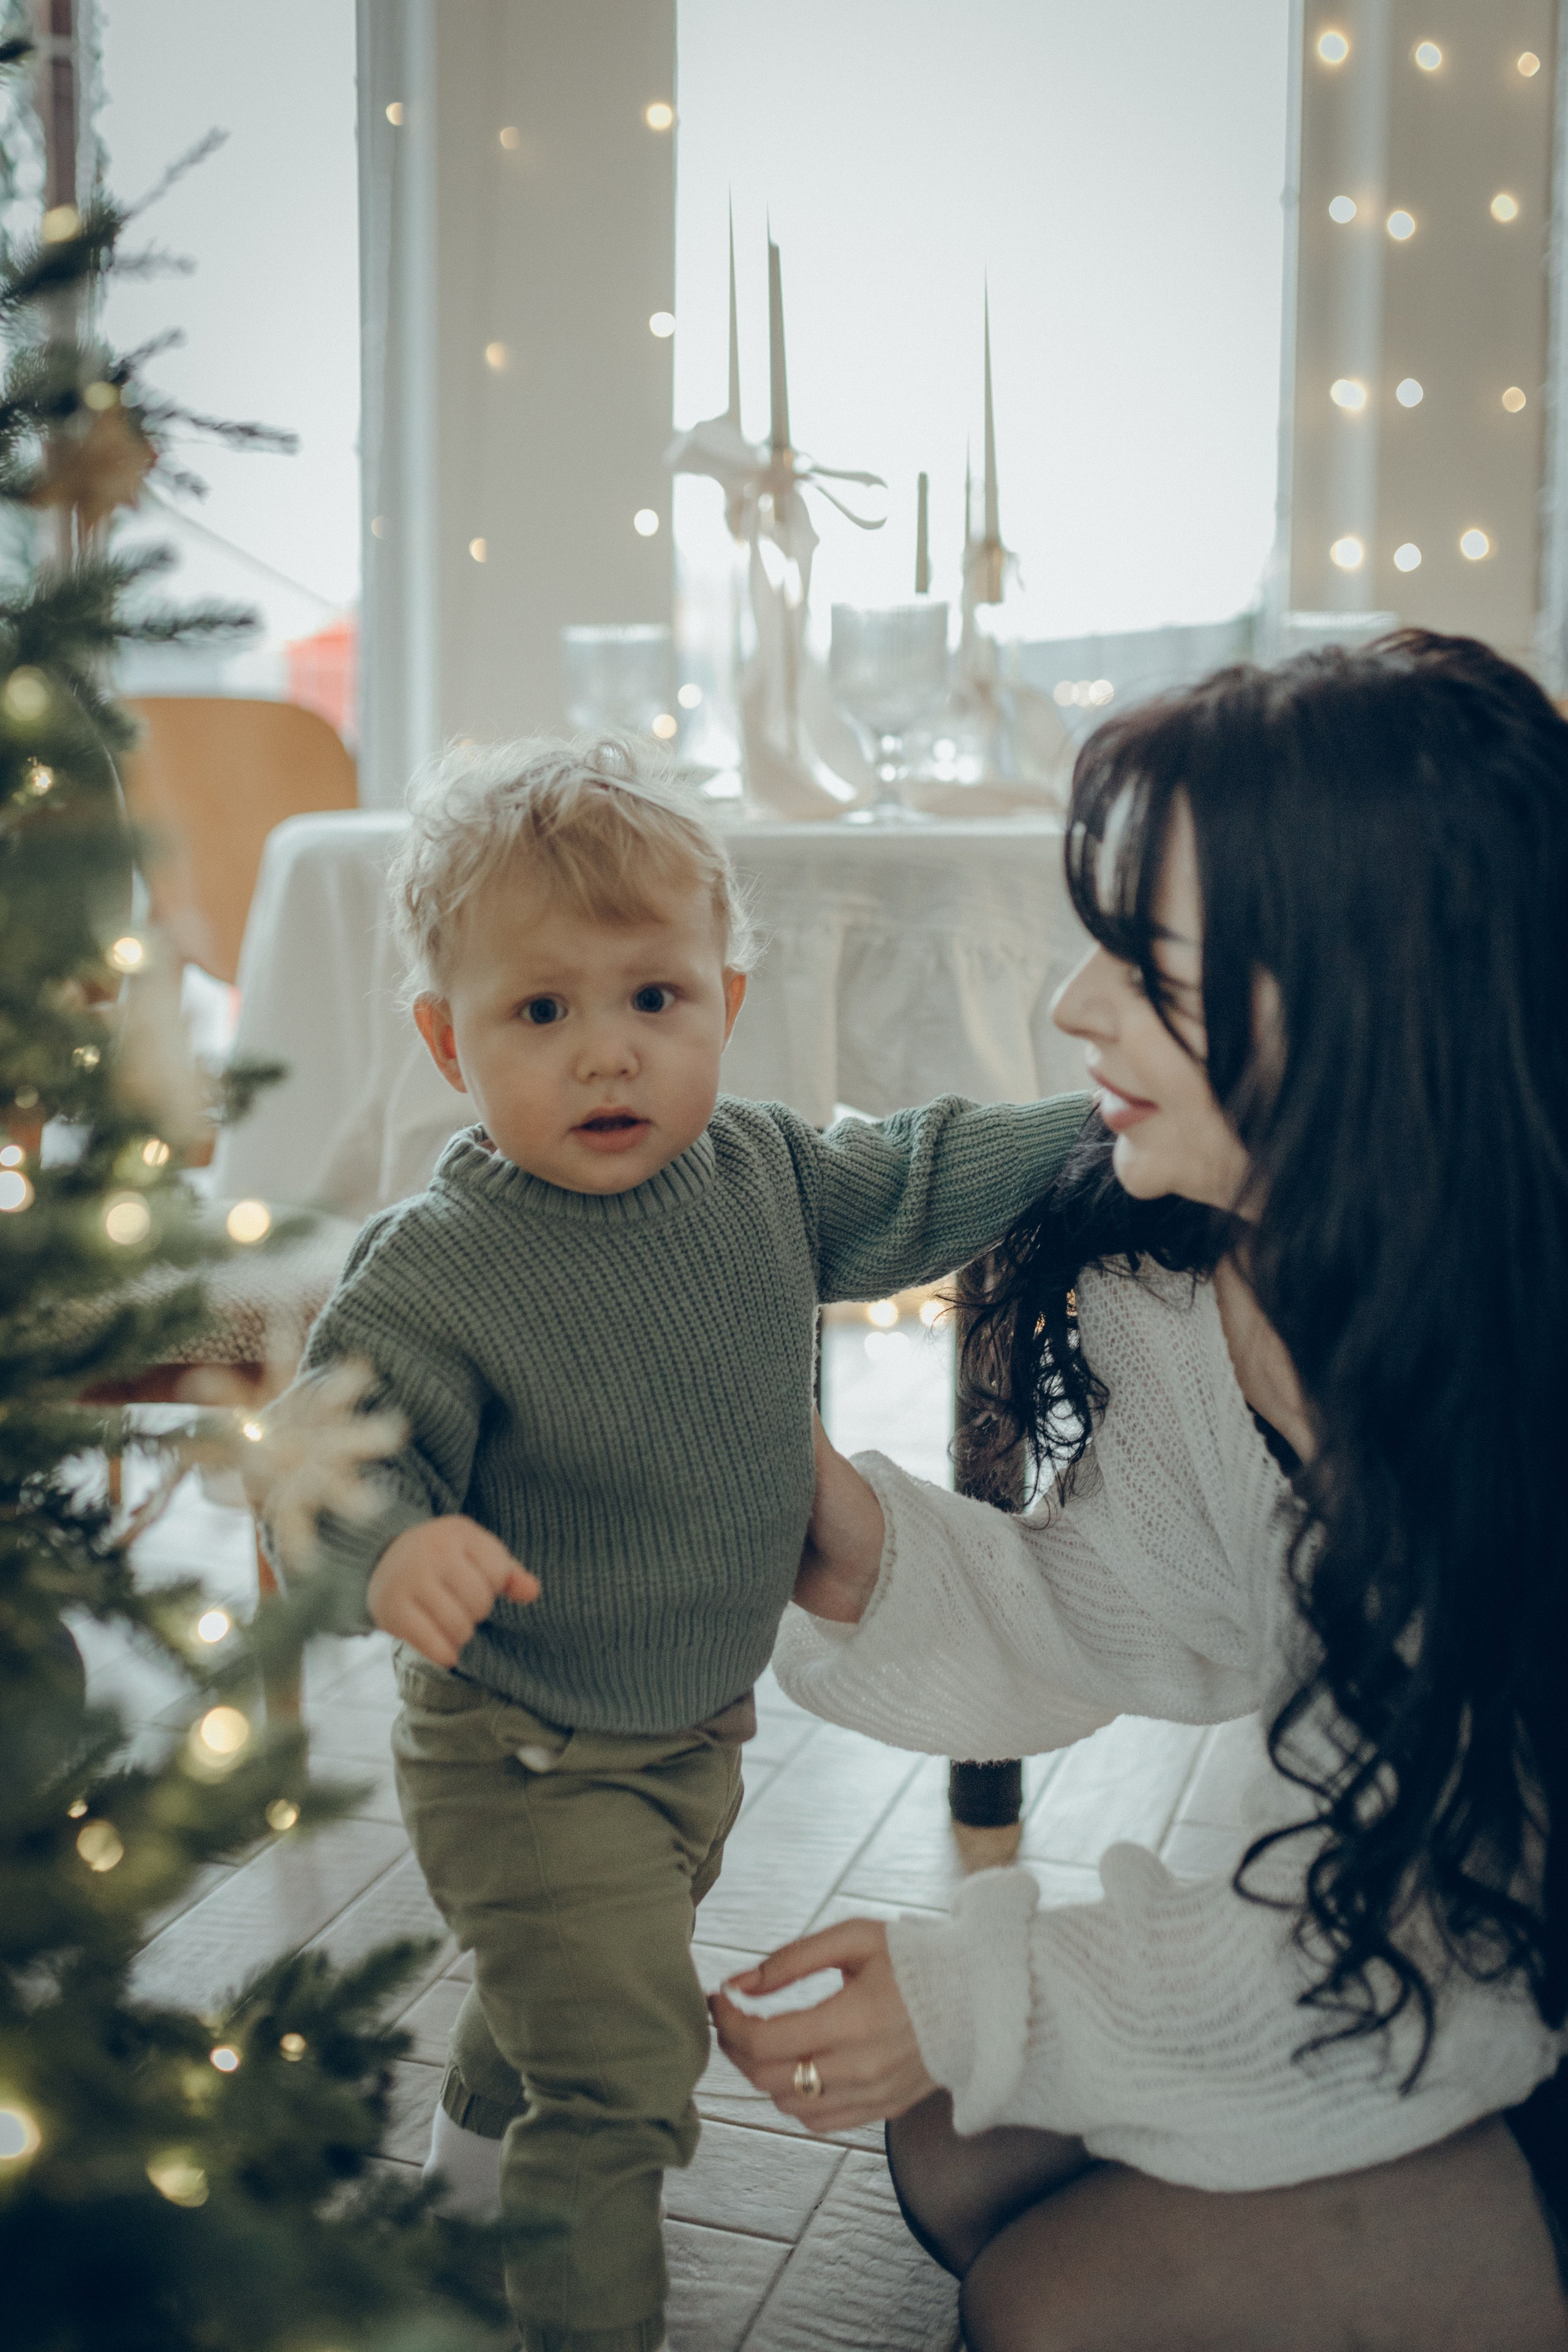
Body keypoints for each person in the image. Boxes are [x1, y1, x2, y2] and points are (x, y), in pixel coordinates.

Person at [713, 630, 1568, 2351]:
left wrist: (987, 1986)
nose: (1072, 1008)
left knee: (1053, 2301)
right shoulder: (1204, 1284)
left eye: (1149, 962)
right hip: (1449, 1970)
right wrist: (851, 1547)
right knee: (956, 2141)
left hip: (1523, 2003)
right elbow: (1137, 1612)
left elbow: (1465, 1937)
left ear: (1380, 991)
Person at [276, 734, 1090, 2352]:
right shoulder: (440, 1265)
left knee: (562, 1997)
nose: (607, 1058)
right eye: (541, 1012)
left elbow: (922, 1170)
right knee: (627, 2070)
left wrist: (1095, 1134)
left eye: (654, 1001)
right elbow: (329, 1443)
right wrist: (390, 1552)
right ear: (448, 1040)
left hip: (692, 1734)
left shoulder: (765, 1172)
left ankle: (459, 2203)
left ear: (724, 994)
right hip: (517, 1751)